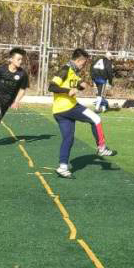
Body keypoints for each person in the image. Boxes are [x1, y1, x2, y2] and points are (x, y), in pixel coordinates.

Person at [49, 48, 116, 179]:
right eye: (84, 63)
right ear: (79, 60)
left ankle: (62, 167)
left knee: (68, 138)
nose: (84, 65)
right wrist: (68, 91)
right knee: (96, 119)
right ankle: (102, 148)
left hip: (59, 111)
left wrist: (81, 85)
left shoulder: (73, 71)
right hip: (68, 108)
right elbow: (51, 86)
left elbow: (76, 85)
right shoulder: (65, 70)